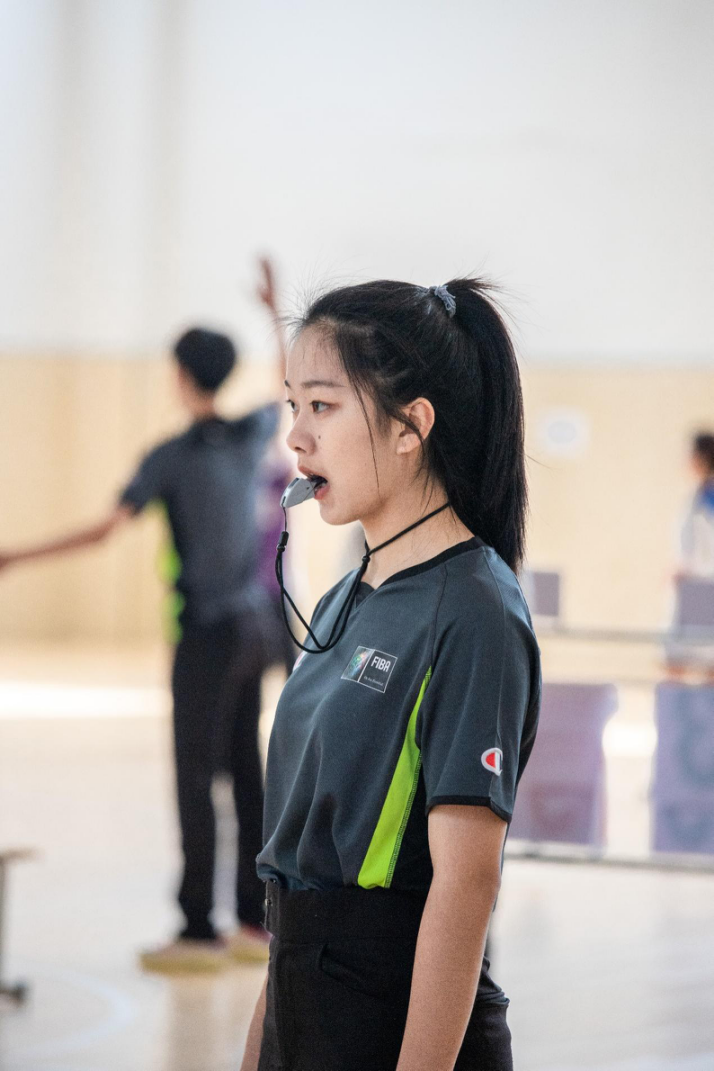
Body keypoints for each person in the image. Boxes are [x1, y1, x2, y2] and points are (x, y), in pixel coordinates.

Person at [240, 278, 541, 1071]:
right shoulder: (347, 594)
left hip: (393, 1021)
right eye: (294, 405)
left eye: (323, 405)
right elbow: (300, 876)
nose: (297, 438)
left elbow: (465, 883)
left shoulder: (474, 611)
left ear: (412, 426)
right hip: (305, 1002)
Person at [0, 260, 286, 970]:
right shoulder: (249, 434)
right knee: (246, 772)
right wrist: (274, 308)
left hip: (207, 634)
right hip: (255, 627)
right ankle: (254, 922)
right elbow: (286, 383)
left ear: (180, 376)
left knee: (195, 779)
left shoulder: (169, 456)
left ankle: (197, 930)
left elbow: (104, 531)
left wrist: (14, 557)